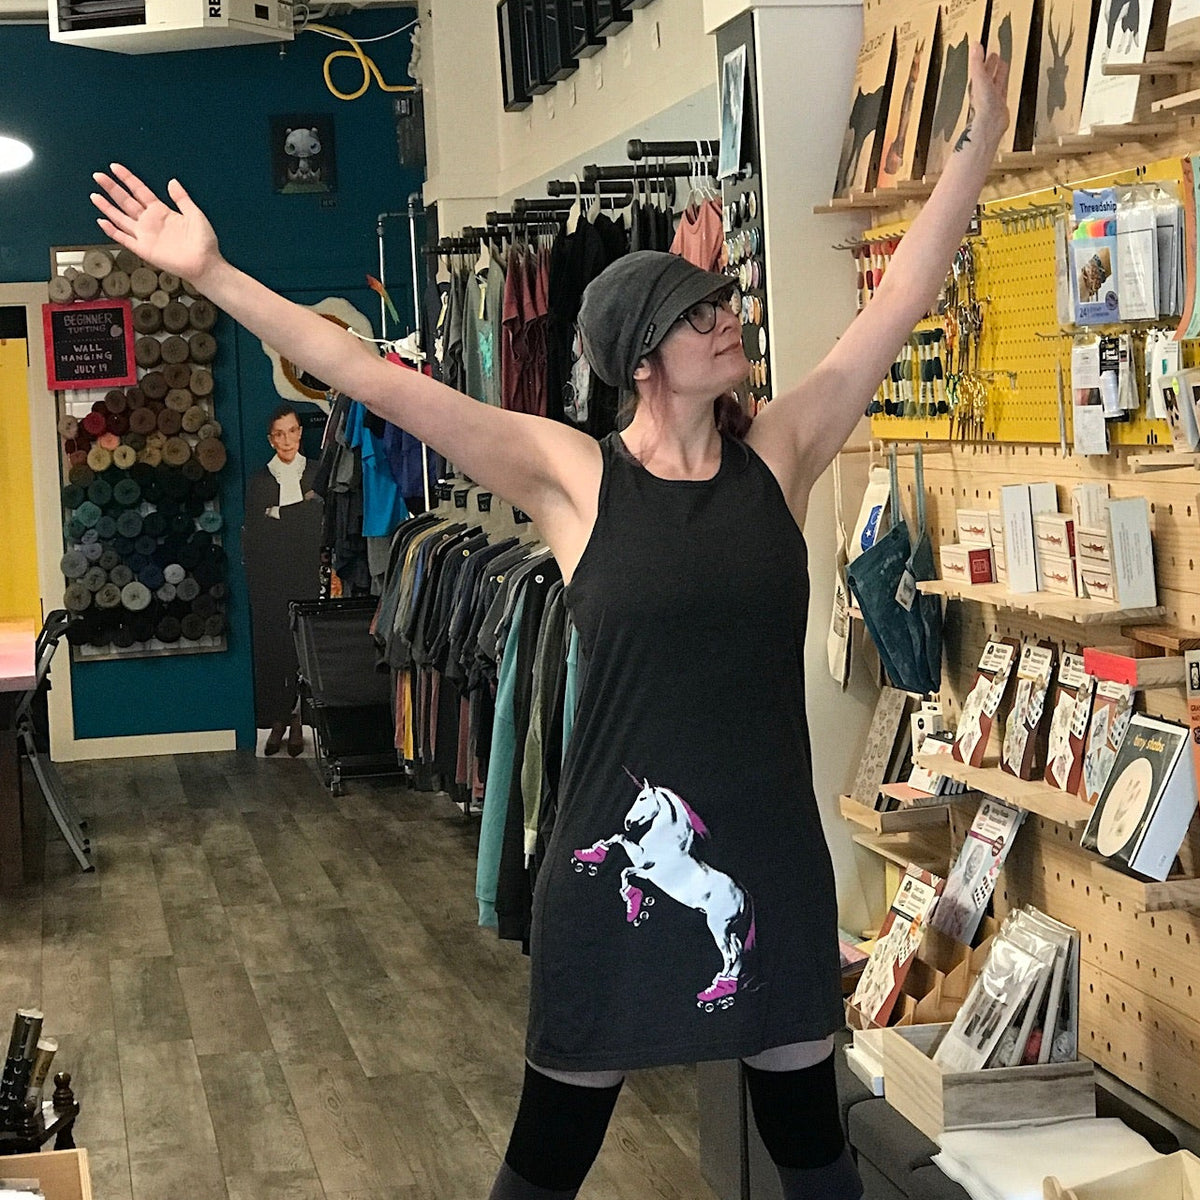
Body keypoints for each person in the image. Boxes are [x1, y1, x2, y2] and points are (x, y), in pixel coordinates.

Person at [90, 44, 1008, 1200]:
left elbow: (901, 300)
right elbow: (371, 377)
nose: (731, 324)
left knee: (810, 1141)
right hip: (610, 871)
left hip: (768, 859)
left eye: (724, 307)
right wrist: (216, 273)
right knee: (550, 1154)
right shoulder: (575, 477)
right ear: (642, 361)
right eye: (703, 316)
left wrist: (971, 151)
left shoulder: (780, 456)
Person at [242, 402, 323, 755]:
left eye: (292, 431)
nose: (287, 439)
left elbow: (317, 525)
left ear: (300, 433)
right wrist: (300, 511)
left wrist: (281, 515)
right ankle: (278, 718)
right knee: (274, 648)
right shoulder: (260, 481)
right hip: (270, 578)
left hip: (307, 574)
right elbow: (257, 534)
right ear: (270, 439)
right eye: (279, 434)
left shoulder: (317, 475)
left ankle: (298, 721)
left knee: (303, 648)